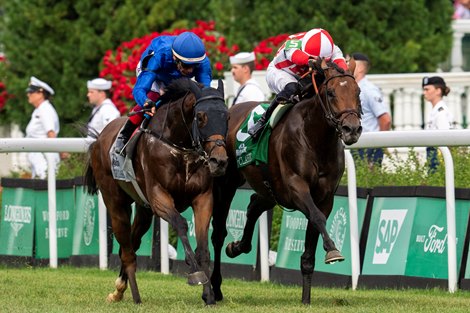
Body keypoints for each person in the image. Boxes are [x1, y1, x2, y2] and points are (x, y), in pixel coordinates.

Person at [114, 31, 212, 155]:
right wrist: (146, 102)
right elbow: (139, 89)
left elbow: (205, 92)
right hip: (156, 73)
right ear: (175, 58)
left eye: (194, 66)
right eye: (187, 65)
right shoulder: (160, 56)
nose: (190, 70)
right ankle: (125, 134)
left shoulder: (203, 63)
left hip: (175, 75)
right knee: (154, 96)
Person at [248, 28, 348, 139]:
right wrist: (310, 60)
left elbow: (342, 67)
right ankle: (263, 121)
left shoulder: (333, 49)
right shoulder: (293, 42)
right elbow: (296, 56)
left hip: (305, 75)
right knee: (292, 89)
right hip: (280, 71)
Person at [351, 52, 391, 167]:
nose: (345, 65)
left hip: (369, 146)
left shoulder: (368, 90)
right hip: (359, 145)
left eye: (349, 63)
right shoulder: (355, 88)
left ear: (359, 68)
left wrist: (379, 146)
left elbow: (385, 119)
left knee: (368, 183)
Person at [25, 76, 60, 179]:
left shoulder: (45, 109)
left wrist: (58, 151)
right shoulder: (40, 109)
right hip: (40, 156)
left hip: (45, 157)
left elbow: (51, 133)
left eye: (31, 92)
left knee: (45, 184)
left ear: (40, 94)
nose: (28, 95)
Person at [422, 76, 454, 171]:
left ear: (438, 91)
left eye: (427, 89)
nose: (424, 93)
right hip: (434, 153)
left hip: (438, 155)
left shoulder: (441, 112)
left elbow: (446, 139)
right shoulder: (435, 111)